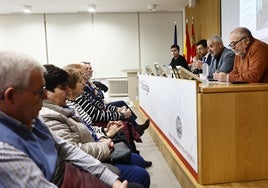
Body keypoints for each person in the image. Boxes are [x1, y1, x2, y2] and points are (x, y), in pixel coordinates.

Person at [0, 50, 127, 188]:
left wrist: (110, 179)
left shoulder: (31, 119)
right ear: (11, 96)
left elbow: (67, 149)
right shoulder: (4, 149)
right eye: (38, 92)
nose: (44, 97)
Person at [40, 64, 151, 188]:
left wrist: (103, 132)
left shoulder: (65, 106)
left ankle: (136, 132)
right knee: (140, 173)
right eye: (81, 79)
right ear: (45, 93)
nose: (84, 81)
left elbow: (92, 118)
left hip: (96, 146)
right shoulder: (52, 115)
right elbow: (74, 151)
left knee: (136, 159)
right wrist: (104, 139)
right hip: (93, 157)